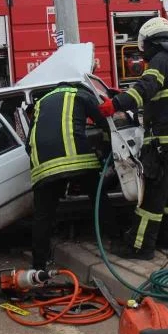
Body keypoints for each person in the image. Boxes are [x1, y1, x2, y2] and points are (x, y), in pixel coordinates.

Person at [99, 17, 168, 260]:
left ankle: (140, 247)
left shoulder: (161, 60)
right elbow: (159, 96)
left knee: (151, 195)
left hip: (164, 140)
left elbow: (146, 87)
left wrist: (116, 104)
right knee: (166, 191)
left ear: (152, 42)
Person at [27, 82, 112, 270]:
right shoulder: (80, 94)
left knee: (42, 216)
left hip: (43, 167)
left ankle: (39, 265)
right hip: (77, 159)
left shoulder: (40, 102)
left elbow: (28, 143)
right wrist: (106, 150)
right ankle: (114, 239)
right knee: (98, 196)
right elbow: (106, 122)